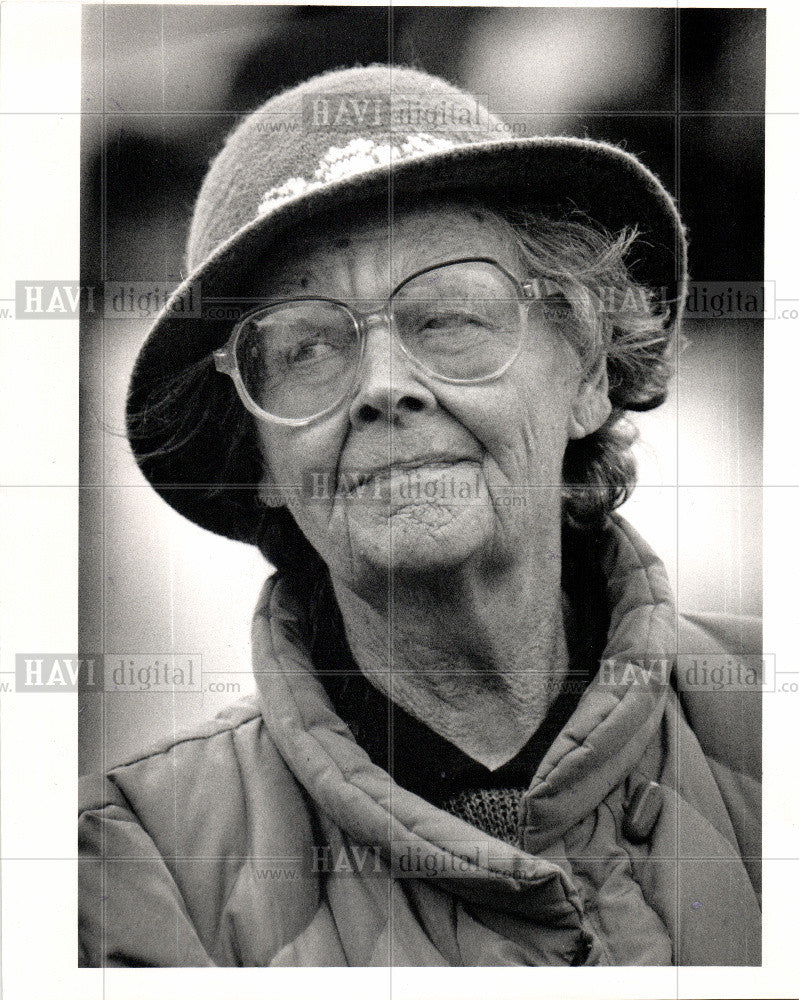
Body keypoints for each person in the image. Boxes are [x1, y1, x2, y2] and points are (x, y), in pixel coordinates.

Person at [78, 65, 761, 967]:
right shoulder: (139, 865)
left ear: (589, 374)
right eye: (307, 346)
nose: (383, 386)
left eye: (445, 317)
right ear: (262, 459)